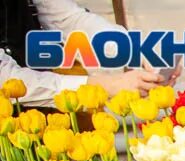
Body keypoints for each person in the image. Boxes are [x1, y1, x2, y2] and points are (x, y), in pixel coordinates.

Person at [0, 0, 166, 107]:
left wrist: (136, 50)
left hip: (40, 121)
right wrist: (105, 86)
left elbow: (64, 18)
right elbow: (4, 77)